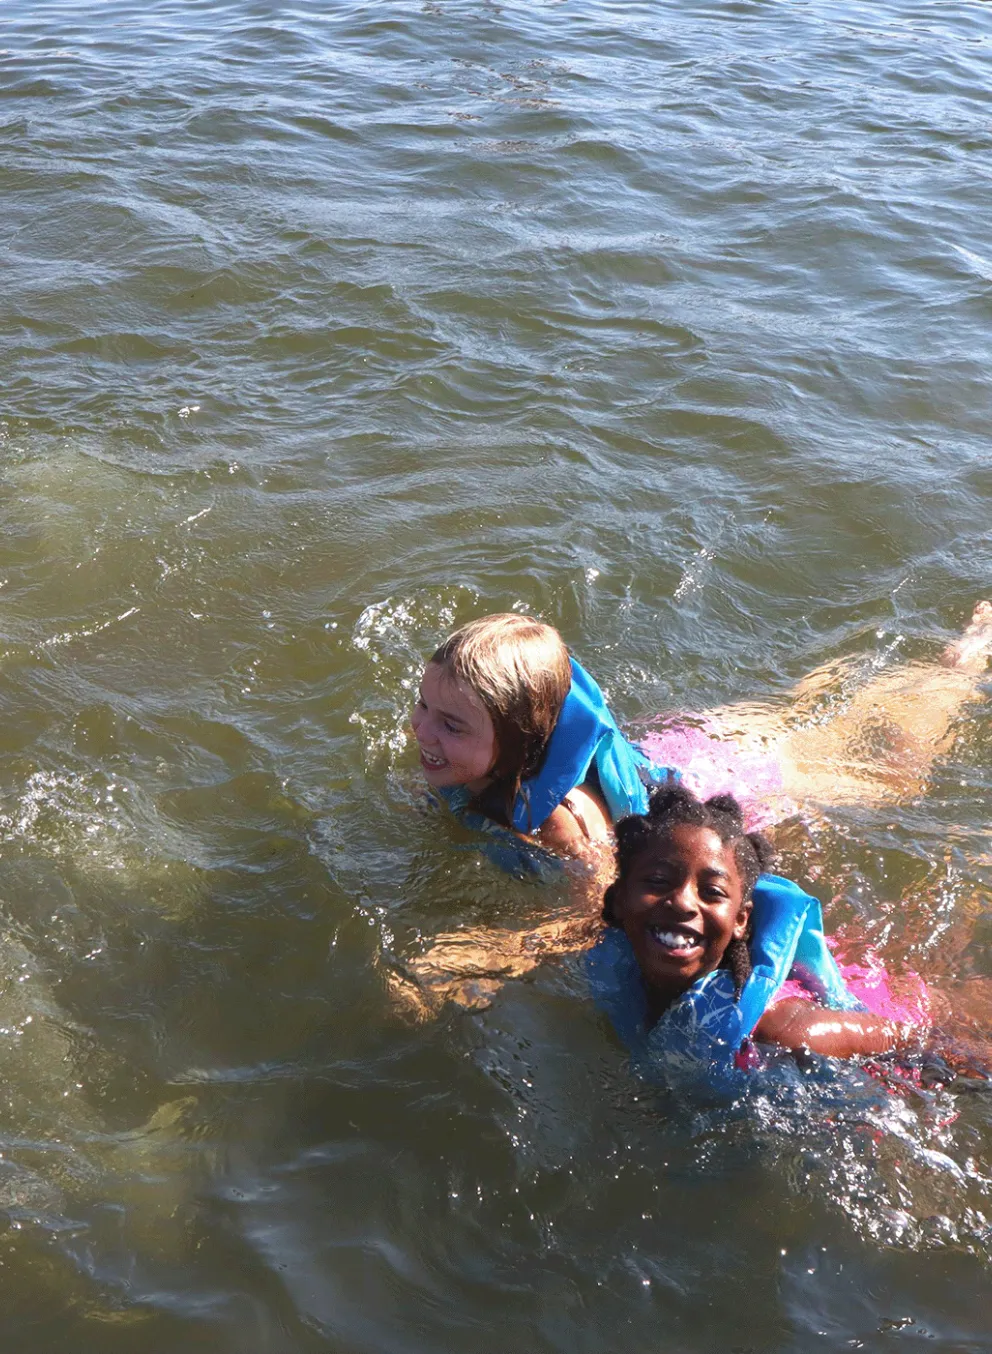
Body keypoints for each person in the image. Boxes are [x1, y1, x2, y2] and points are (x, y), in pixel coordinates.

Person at [398, 603, 992, 1014]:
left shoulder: (564, 822)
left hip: (734, 783)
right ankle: (875, 678)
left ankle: (959, 667)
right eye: (423, 705)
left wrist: (481, 956)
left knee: (892, 777)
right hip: (682, 754)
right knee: (801, 719)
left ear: (520, 743)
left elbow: (600, 913)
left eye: (450, 724)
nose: (422, 730)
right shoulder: (468, 751)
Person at [592, 784, 930, 1073]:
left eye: (712, 892)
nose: (683, 903)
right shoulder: (611, 948)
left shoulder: (781, 1027)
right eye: (657, 881)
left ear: (741, 920)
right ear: (620, 898)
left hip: (883, 1017)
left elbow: (906, 1039)